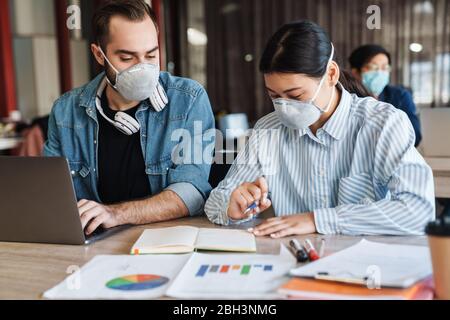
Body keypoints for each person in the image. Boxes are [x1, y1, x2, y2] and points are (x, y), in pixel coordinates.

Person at [205, 20, 435, 237]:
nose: (284, 107)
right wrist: (231, 206)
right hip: (291, 263)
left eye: (295, 95)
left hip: (364, 268)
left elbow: (419, 211)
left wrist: (317, 220)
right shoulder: (268, 130)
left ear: (331, 74)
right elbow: (216, 201)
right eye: (274, 96)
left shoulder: (382, 124)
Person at [44, 0, 215, 235]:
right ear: (99, 54)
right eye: (127, 58)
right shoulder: (65, 111)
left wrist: (115, 214)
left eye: (151, 55)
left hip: (166, 242)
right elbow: (51, 195)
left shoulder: (189, 100)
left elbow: (192, 192)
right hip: (94, 247)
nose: (142, 67)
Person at [349, 44, 422, 146]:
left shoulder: (400, 96)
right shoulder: (347, 99)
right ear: (355, 72)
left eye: (385, 67)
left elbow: (415, 136)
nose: (379, 72)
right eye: (372, 67)